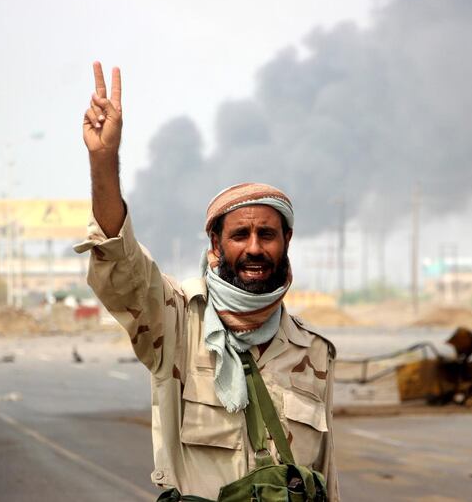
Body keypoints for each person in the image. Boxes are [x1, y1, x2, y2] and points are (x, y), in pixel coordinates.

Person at [75, 62, 339, 501]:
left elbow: (327, 480)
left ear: (286, 241)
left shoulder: (314, 353)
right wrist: (103, 160)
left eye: (267, 234)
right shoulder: (176, 323)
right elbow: (121, 264)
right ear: (215, 245)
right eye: (240, 235)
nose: (254, 248)